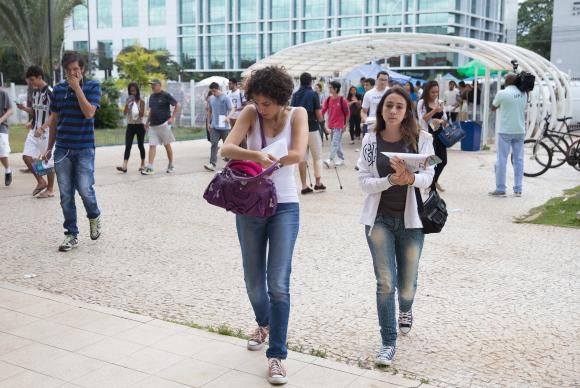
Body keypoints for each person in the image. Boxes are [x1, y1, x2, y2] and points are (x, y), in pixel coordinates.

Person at [220, 66, 308, 386]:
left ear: (283, 99)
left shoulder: (297, 114)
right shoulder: (250, 112)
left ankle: (277, 355)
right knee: (254, 280)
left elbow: (298, 154)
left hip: (285, 205)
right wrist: (256, 154)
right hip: (250, 205)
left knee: (278, 284)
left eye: (268, 102)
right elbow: (226, 148)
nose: (262, 108)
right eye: (257, 101)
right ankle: (264, 322)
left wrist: (270, 158)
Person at [357, 86, 435, 367]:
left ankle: (406, 308)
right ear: (381, 109)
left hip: (412, 222)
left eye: (399, 106)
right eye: (388, 105)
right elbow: (364, 181)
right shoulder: (369, 140)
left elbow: (429, 176)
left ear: (407, 111)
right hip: (379, 220)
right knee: (385, 282)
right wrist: (391, 180)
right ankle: (387, 342)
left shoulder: (422, 139)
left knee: (407, 284)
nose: (392, 111)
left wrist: (409, 180)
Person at [44, 51, 102, 252]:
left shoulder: (92, 86)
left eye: (76, 69)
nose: (72, 73)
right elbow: (54, 120)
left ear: (82, 69)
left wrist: (77, 88)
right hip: (62, 149)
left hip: (84, 148)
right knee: (66, 195)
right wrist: (49, 147)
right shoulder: (58, 90)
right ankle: (71, 234)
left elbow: (89, 113)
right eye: (68, 71)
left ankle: (94, 215)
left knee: (85, 190)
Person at [17, 66, 55, 196]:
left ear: (40, 77)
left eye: (32, 80)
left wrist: (43, 127)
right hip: (34, 131)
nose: (30, 83)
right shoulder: (35, 92)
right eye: (29, 80)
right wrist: (24, 109)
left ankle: (50, 189)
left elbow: (55, 113)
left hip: (47, 132)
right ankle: (41, 181)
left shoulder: (50, 92)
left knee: (47, 160)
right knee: (27, 156)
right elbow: (36, 111)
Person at [489, 73, 527, 197]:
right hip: (520, 130)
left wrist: (501, 105)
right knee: (519, 160)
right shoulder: (524, 93)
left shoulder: (502, 93)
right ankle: (518, 189)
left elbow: (493, 107)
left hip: (505, 131)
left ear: (507, 81)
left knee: (502, 159)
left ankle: (500, 189)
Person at [290, 72, 326, 194]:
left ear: (300, 81)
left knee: (302, 158)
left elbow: (291, 113)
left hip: (299, 130)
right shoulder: (314, 94)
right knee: (317, 157)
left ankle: (304, 186)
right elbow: (319, 115)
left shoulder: (295, 95)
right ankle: (318, 183)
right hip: (312, 128)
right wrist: (325, 128)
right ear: (311, 81)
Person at [141, 79, 181, 175]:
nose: (152, 87)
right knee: (152, 145)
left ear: (159, 85)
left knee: (167, 144)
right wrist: (147, 122)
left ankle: (171, 165)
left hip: (164, 124)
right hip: (153, 125)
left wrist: (172, 117)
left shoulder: (165, 95)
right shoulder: (151, 96)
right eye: (151, 85)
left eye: (154, 85)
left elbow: (178, 105)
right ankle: (150, 167)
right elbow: (151, 111)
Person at [417, 81, 448, 192]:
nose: (435, 94)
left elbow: (445, 119)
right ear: (427, 92)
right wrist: (434, 110)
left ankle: (433, 181)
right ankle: (431, 186)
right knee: (432, 160)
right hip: (428, 135)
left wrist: (441, 121)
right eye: (432, 92)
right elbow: (422, 119)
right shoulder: (422, 103)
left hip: (440, 134)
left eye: (437, 92)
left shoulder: (440, 102)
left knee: (443, 160)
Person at [204, 82, 233, 171]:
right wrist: (209, 123)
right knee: (214, 144)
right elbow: (209, 111)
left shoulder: (225, 98)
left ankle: (229, 164)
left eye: (215, 91)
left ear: (218, 88)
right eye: (212, 91)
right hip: (214, 126)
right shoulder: (211, 98)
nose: (213, 93)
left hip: (224, 126)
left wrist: (228, 117)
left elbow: (231, 109)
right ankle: (212, 163)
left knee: (227, 145)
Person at [117, 82, 145, 173]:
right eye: (131, 91)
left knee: (140, 145)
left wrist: (135, 106)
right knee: (128, 145)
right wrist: (127, 104)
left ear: (137, 90)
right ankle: (124, 166)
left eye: (134, 91)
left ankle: (143, 164)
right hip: (130, 125)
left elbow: (141, 115)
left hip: (140, 125)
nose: (133, 93)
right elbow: (124, 113)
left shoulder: (142, 101)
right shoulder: (128, 100)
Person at [321, 81, 350, 167]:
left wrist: (346, 125)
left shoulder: (342, 100)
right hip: (331, 125)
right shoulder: (328, 99)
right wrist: (319, 118)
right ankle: (341, 159)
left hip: (339, 125)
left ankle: (329, 159)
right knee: (337, 143)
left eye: (330, 87)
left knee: (334, 143)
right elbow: (323, 110)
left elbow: (348, 113)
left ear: (335, 89)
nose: (329, 89)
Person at [361, 71, 390, 135]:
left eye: (385, 80)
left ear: (388, 81)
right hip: (373, 124)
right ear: (377, 80)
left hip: (388, 123)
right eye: (381, 79)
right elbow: (363, 111)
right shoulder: (369, 93)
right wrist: (367, 120)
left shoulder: (391, 92)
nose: (383, 82)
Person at [0, 88, 13, 186]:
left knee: (2, 153)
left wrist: (0, 120)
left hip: (1, 127)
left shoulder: (3, 93)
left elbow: (10, 110)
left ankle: (8, 171)